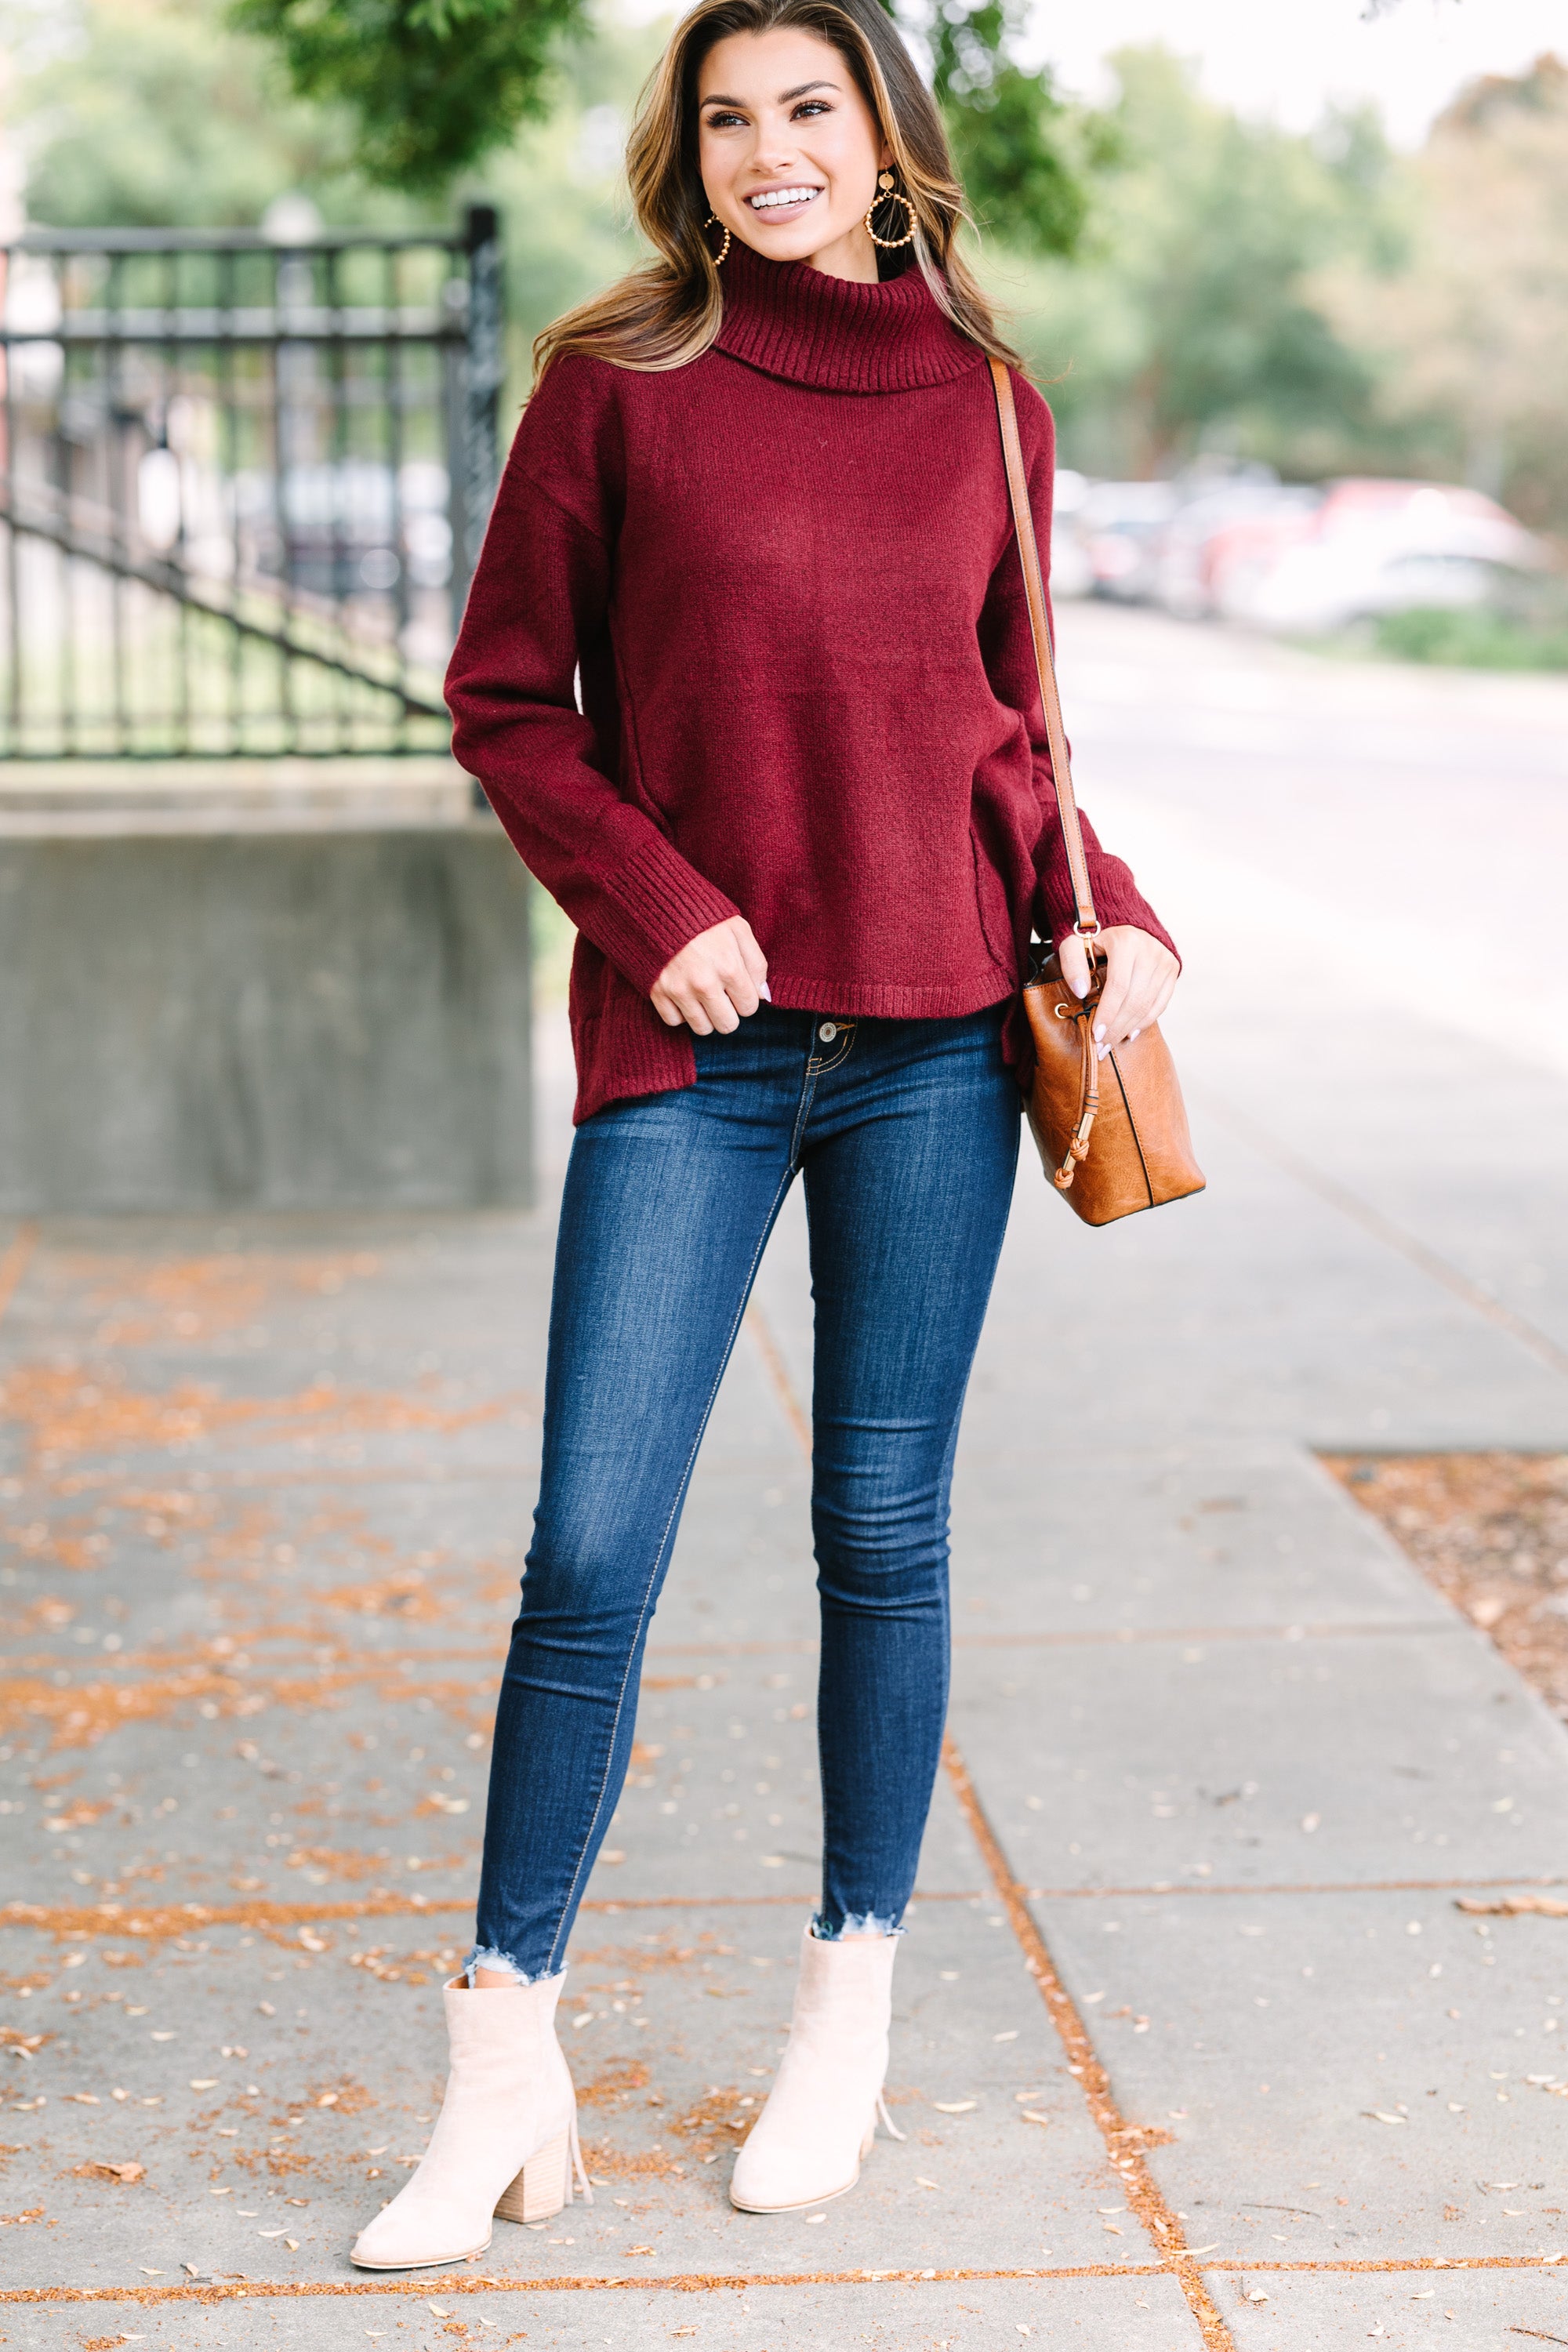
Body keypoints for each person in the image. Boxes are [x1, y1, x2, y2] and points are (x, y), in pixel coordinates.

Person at [350, 0, 1178, 2274]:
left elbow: (1011, 730)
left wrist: (1107, 915)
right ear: (687, 153)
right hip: (691, 1049)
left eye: (808, 108)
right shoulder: (616, 384)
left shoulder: (986, 408)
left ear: (888, 137)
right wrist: (663, 904)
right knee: (588, 1554)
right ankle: (504, 2057)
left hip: (931, 1045)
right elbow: (509, 700)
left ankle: (850, 2007)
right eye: (728, 118)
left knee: (879, 1528)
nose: (769, 151)